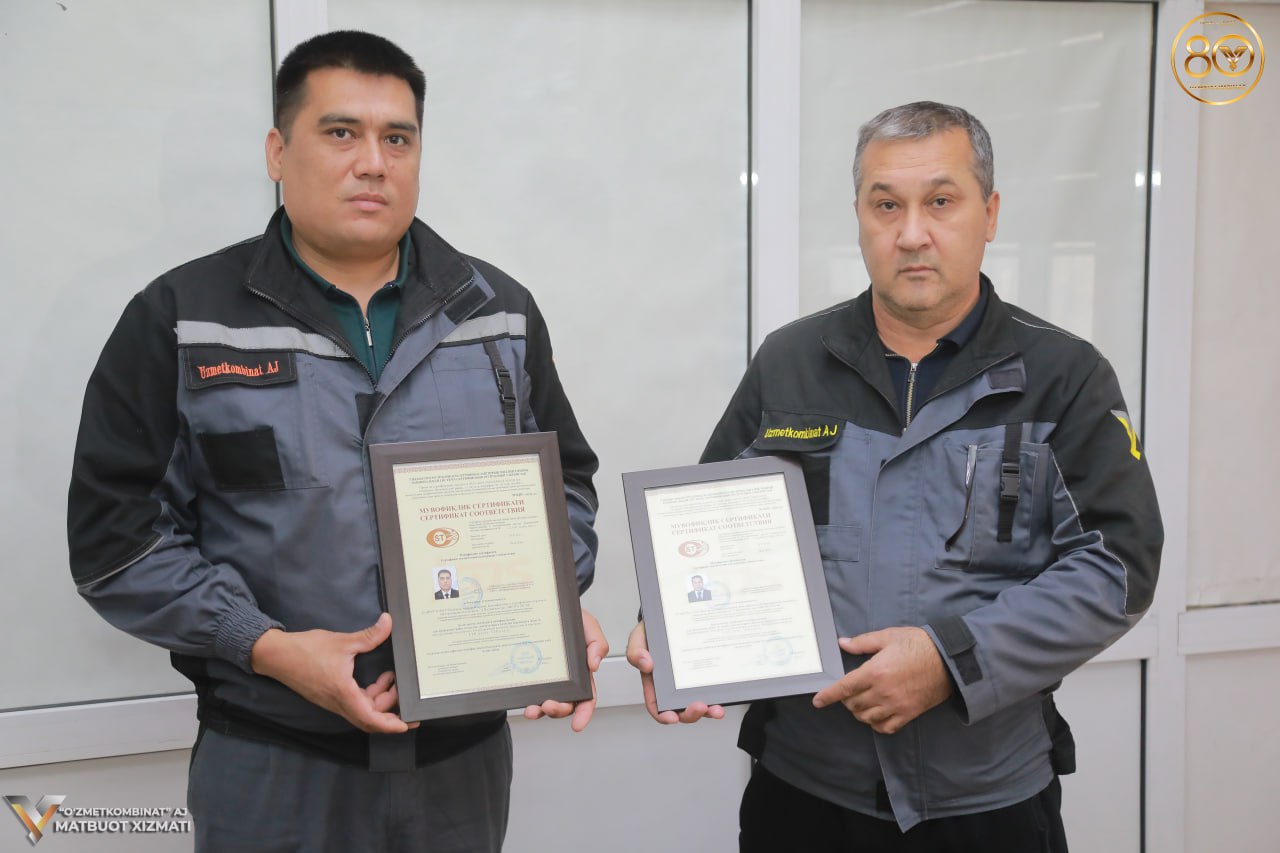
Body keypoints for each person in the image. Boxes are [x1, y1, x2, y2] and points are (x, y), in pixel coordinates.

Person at [67, 30, 606, 853]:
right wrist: (265, 645)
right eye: (341, 132)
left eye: (398, 138)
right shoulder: (181, 319)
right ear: (278, 152)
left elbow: (565, 487)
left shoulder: (498, 312)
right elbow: (116, 542)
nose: (374, 162)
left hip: (462, 767)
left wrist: (547, 597)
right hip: (273, 764)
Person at [627, 101, 1162, 852]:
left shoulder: (1063, 375)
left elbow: (1117, 567)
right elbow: (706, 528)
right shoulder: (790, 363)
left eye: (940, 202)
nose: (911, 233)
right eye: (886, 205)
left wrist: (951, 660)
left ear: (989, 214)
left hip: (987, 800)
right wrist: (672, 629)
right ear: (859, 217)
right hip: (804, 791)